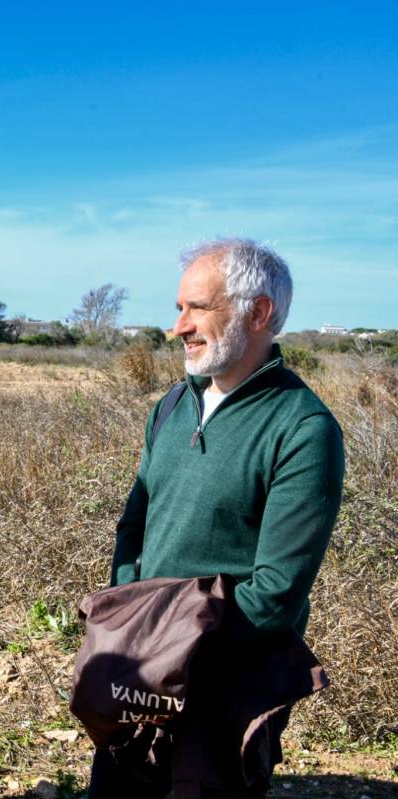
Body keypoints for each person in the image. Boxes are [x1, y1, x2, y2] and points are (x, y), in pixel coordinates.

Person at [95, 239, 345, 797]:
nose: (177, 327)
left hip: (225, 689)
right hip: (138, 676)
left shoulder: (303, 429)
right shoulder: (171, 407)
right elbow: (132, 530)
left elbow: (277, 592)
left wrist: (167, 644)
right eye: (179, 308)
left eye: (196, 308)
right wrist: (128, 616)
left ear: (258, 313)